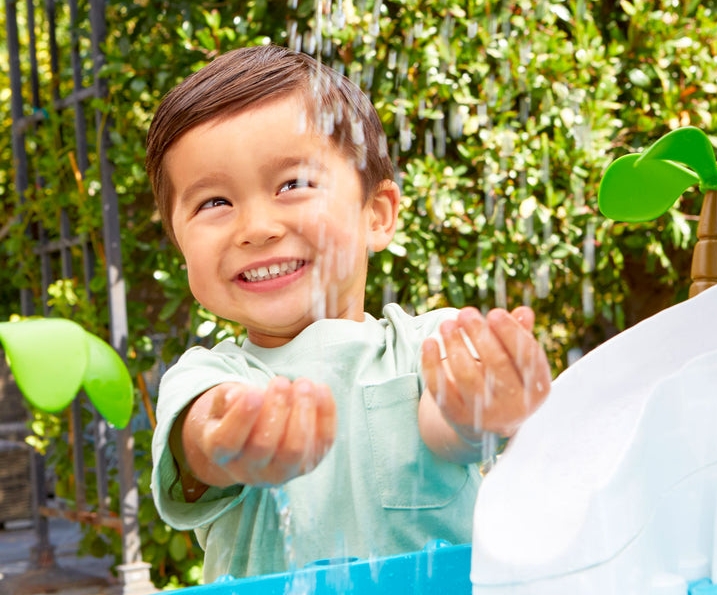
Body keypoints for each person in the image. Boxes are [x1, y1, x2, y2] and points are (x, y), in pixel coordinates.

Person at [148, 44, 551, 582]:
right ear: (181, 245)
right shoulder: (211, 378)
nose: (257, 228)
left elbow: (448, 429)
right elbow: (199, 441)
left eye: (293, 184)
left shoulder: (428, 344)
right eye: (214, 203)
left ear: (376, 215)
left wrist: (479, 407)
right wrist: (226, 442)